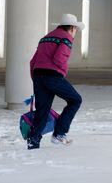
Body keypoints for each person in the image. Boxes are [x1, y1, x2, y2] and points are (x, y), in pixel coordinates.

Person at [27, 13, 85, 150]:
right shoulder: (66, 38)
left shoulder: (45, 38)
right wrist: (62, 72)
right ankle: (59, 133)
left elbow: (32, 62)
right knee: (75, 100)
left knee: (42, 110)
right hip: (52, 76)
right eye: (75, 29)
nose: (75, 32)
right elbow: (59, 59)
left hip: (38, 75)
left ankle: (33, 142)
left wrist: (36, 79)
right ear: (71, 27)